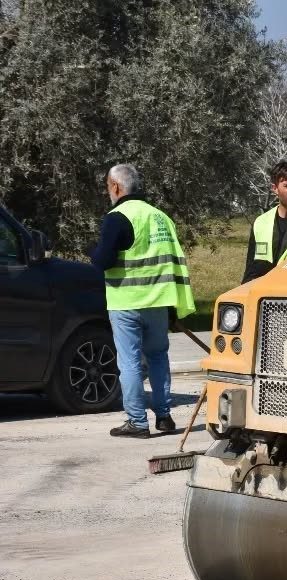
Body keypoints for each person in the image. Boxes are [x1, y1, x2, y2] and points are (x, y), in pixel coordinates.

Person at [91, 164, 195, 439]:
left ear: (115, 187)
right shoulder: (161, 218)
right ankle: (164, 416)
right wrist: (175, 306)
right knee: (159, 357)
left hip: (126, 301)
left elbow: (103, 260)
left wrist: (93, 252)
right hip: (159, 303)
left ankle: (137, 421)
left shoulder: (117, 217)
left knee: (130, 362)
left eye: (107, 187)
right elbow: (172, 263)